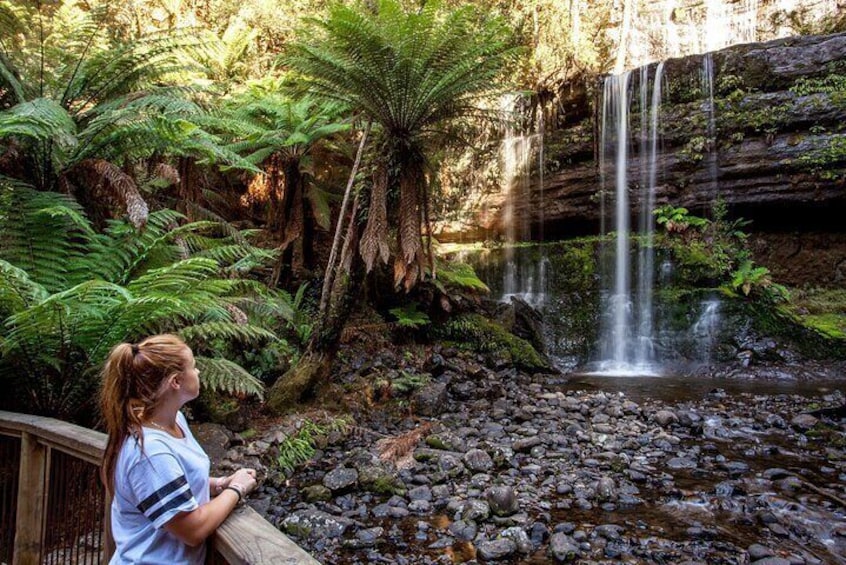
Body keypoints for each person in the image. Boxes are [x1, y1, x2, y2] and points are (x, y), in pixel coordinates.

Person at [100, 334, 258, 564]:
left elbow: (176, 483)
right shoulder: (151, 452)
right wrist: (236, 489)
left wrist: (219, 483)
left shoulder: (173, 422)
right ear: (176, 381)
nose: (198, 373)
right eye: (193, 367)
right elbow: (191, 530)